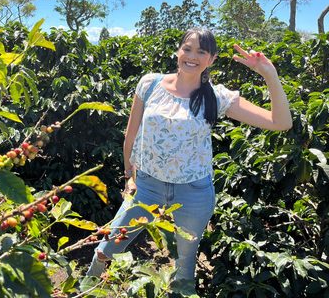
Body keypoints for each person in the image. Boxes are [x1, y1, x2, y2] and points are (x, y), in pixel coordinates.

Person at [86, 28, 292, 285]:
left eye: (201, 51)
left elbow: (280, 122)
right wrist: (129, 175)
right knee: (107, 248)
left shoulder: (217, 97)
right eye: (187, 48)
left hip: (194, 192)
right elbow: (131, 135)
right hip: (146, 186)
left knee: (184, 263)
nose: (192, 56)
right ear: (178, 51)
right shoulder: (150, 83)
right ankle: (85, 290)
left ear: (211, 59)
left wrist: (270, 75)